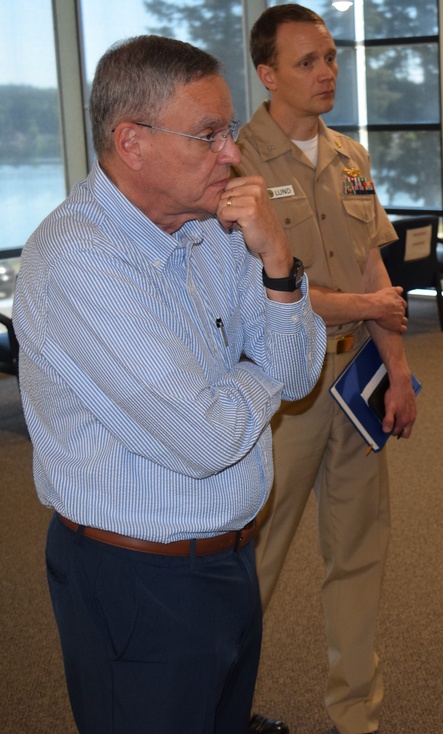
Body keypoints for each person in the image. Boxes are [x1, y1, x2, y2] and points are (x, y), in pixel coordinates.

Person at [12, 35, 325, 734]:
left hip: (230, 557)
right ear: (132, 142)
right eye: (209, 135)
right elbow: (207, 438)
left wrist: (278, 261)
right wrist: (257, 371)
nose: (232, 153)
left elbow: (302, 376)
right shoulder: (78, 261)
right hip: (136, 583)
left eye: (230, 131)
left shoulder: (216, 227)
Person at [235, 6, 417, 734]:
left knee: (358, 553)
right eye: (307, 61)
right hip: (283, 391)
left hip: (356, 380)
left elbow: (375, 263)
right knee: (256, 560)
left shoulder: (349, 155)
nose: (326, 72)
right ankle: (222, 708)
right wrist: (369, 301)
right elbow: (264, 290)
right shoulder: (238, 161)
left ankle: (354, 714)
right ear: (268, 73)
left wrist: (397, 371)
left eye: (331, 58)